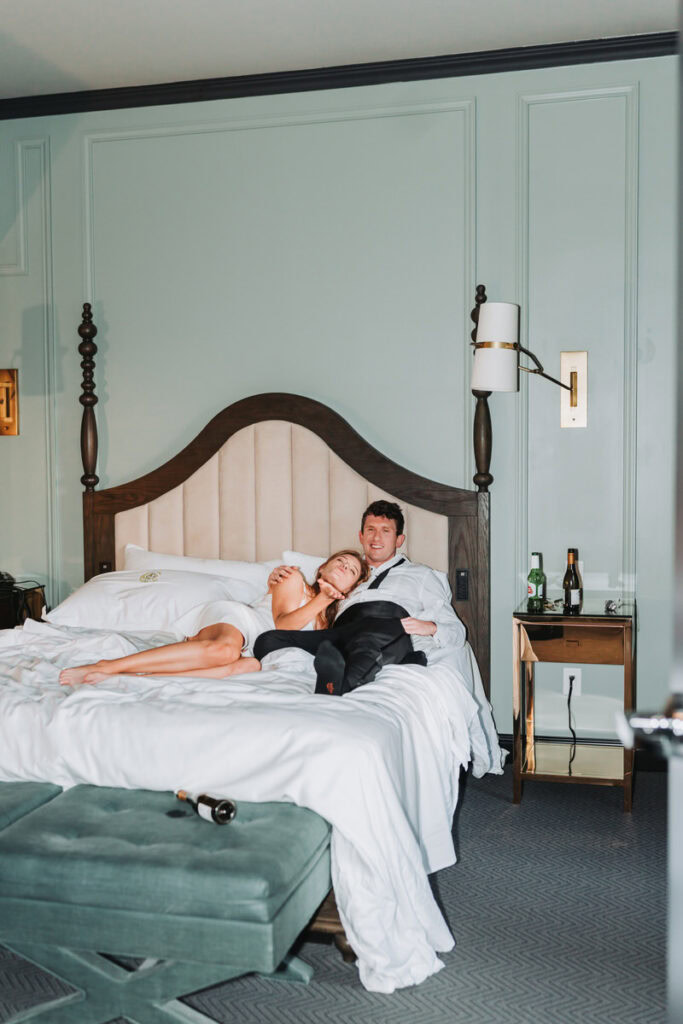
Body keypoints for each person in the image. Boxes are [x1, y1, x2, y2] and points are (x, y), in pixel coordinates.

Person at [58, 550, 367, 687]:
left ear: (351, 587)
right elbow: (284, 624)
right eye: (339, 561)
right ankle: (108, 666)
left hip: (256, 651)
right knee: (224, 651)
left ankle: (134, 679)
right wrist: (323, 598)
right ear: (322, 569)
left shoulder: (330, 623)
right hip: (240, 620)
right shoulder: (293, 579)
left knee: (245, 666)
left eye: (351, 570)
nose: (343, 567)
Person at [254, 500, 466, 695]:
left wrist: (429, 627)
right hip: (343, 632)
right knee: (269, 639)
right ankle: (335, 670)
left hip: (389, 627)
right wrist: (274, 582)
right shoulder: (345, 569)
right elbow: (309, 592)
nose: (376, 538)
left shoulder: (422, 575)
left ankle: (334, 689)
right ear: (361, 536)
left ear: (399, 539)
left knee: (367, 638)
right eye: (370, 530)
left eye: (386, 531)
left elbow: (456, 631)